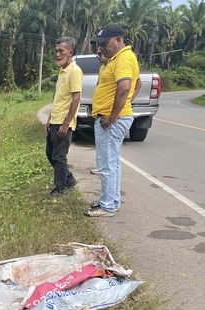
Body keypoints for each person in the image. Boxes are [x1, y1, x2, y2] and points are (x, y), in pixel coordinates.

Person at [85, 24, 139, 217]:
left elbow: (125, 88)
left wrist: (112, 117)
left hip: (111, 120)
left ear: (118, 39)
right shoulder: (116, 59)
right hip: (113, 117)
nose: (102, 47)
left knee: (106, 164)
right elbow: (137, 84)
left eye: (105, 43)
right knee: (112, 163)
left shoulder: (124, 57)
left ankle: (107, 206)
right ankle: (111, 201)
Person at [45, 37, 83, 196]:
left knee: (59, 156)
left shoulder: (75, 71)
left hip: (64, 122)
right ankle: (69, 179)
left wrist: (66, 124)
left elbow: (76, 98)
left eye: (61, 51)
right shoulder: (62, 71)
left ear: (70, 52)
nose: (57, 54)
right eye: (56, 51)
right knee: (50, 153)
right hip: (55, 119)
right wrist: (50, 118)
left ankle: (60, 187)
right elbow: (59, 98)